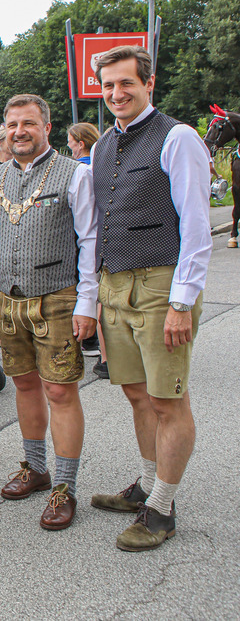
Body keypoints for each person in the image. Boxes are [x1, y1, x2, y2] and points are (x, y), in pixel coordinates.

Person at [87, 46, 212, 552]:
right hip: (115, 285)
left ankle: (161, 509)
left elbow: (198, 228)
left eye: (126, 84)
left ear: (149, 84)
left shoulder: (177, 137)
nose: (117, 93)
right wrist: (95, 295)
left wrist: (182, 302)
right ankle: (146, 483)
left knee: (167, 400)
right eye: (108, 86)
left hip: (161, 285)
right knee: (136, 393)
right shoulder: (101, 147)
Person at [0, 94, 97, 529]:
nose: (19, 131)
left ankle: (65, 487)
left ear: (47, 127)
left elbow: (90, 240)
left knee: (61, 391)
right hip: (9, 296)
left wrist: (88, 301)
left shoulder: (74, 174)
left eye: (29, 123)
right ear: (4, 129)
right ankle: (36, 466)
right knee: (24, 384)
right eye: (12, 124)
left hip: (58, 297)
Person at [66, 122, 106, 370]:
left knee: (86, 283)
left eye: (70, 142)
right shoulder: (103, 164)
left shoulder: (78, 169)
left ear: (80, 144)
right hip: (105, 233)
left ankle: (89, 338)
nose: (69, 146)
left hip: (82, 235)